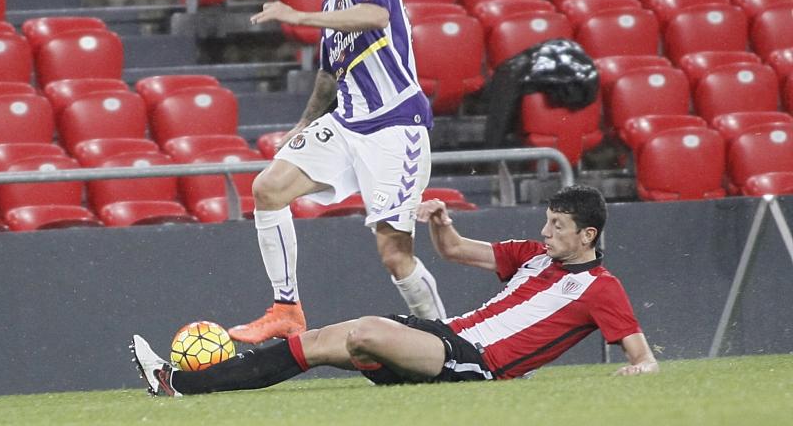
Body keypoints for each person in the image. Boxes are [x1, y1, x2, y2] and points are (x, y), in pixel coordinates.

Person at [131, 186, 659, 396]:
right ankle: (176, 384)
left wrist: (636, 371)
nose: (546, 233)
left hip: (480, 364)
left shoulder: (600, 288)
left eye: (557, 227)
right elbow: (455, 251)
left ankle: (178, 383)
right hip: (446, 339)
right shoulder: (533, 255)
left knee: (366, 330)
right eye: (546, 223)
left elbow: (642, 357)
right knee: (322, 341)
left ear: (588, 235)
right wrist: (440, 221)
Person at [227, 0, 444, 345]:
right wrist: (305, 123)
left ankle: (453, 343)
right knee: (268, 188)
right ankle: (286, 308)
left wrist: (296, 17)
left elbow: (375, 16)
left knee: (395, 256)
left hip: (395, 125)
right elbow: (329, 74)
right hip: (346, 124)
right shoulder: (330, 7)